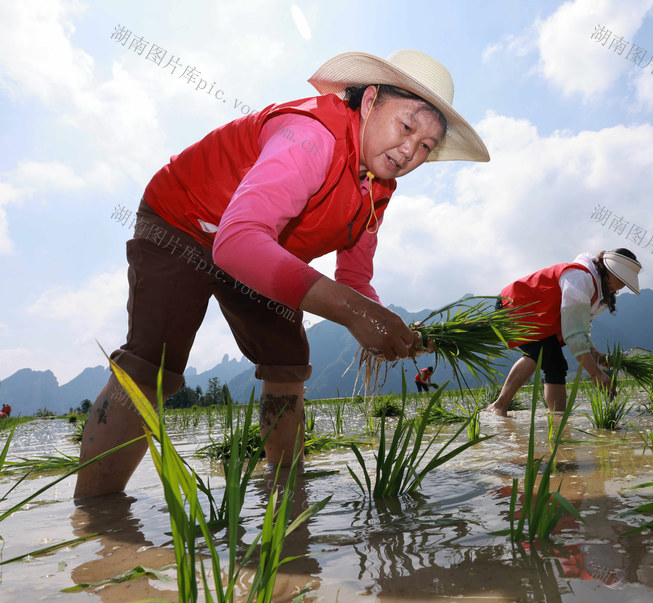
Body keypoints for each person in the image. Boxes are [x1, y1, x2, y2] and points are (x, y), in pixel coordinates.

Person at [75, 50, 489, 498]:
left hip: (261, 249)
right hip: (185, 223)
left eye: (427, 146)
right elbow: (237, 240)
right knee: (151, 365)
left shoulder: (377, 193)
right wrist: (353, 313)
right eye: (407, 127)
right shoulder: (310, 134)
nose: (411, 150)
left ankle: (287, 493)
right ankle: (97, 514)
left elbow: (354, 282)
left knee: (287, 361)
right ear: (369, 101)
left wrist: (390, 328)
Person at [485, 249, 641, 417]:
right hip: (517, 306)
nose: (622, 286)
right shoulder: (580, 279)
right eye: (622, 280)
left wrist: (595, 354)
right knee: (541, 353)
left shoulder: (599, 293)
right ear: (610, 271)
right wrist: (596, 374)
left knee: (555, 364)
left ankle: (559, 421)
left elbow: (580, 328)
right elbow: (573, 334)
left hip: (541, 318)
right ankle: (500, 405)